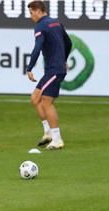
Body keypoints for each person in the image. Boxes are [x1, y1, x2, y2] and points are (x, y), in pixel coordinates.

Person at [26, 1, 72, 150]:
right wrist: (64, 59)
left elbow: (37, 47)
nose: (31, 16)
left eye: (31, 13)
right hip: (55, 69)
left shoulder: (40, 25)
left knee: (46, 102)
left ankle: (57, 139)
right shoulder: (56, 23)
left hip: (54, 70)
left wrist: (29, 67)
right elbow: (69, 42)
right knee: (35, 98)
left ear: (38, 11)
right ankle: (48, 132)